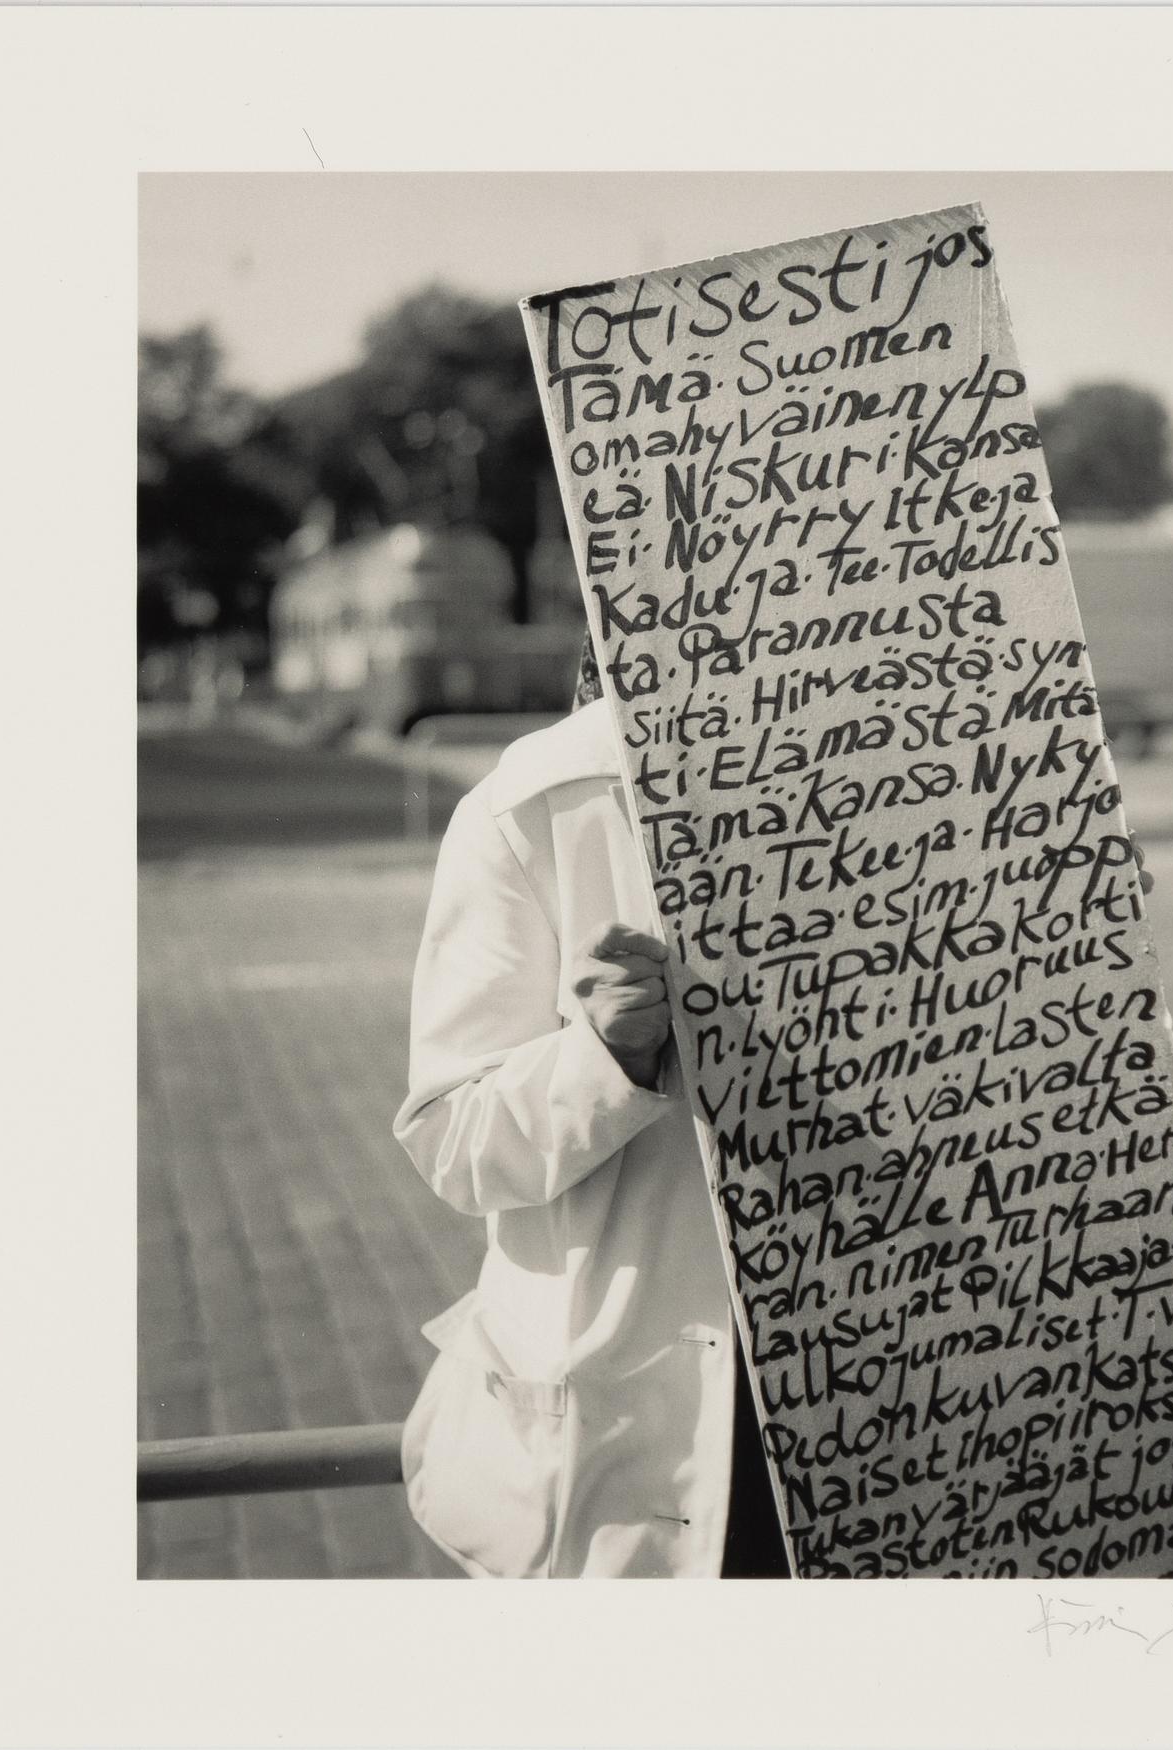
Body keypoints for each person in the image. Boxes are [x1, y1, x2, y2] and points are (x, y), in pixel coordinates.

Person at [392, 638, 791, 1579]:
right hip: (647, 1439)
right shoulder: (535, 809)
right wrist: (604, 1056)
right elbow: (452, 1139)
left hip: (907, 1387)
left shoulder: (944, 788)